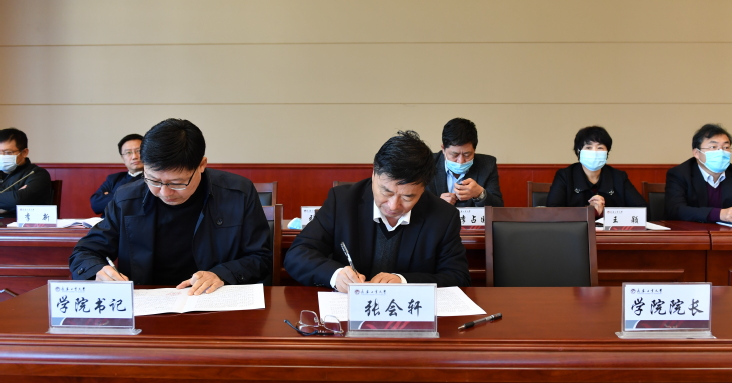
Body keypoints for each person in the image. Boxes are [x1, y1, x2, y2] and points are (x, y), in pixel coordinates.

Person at [69, 118, 272, 294]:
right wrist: (97, 270)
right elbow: (85, 251)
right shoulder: (126, 198)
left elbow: (261, 257)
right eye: (153, 180)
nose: (164, 192)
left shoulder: (238, 193)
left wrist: (221, 274)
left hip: (212, 301)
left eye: (177, 183)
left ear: (201, 165)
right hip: (146, 303)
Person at [284, 130, 470, 293]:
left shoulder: (443, 216)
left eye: (407, 197)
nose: (393, 206)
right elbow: (298, 254)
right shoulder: (342, 201)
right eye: (386, 192)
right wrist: (335, 275)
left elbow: (457, 276)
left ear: (423, 188)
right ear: (374, 174)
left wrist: (403, 282)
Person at [665, 123, 732, 223]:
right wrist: (719, 214)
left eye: (726, 147)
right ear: (696, 153)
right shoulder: (680, 173)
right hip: (692, 231)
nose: (721, 152)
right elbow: (675, 210)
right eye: (713, 147)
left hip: (727, 232)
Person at [546, 126, 646, 217]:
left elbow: (644, 211)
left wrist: (605, 212)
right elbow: (552, 211)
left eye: (600, 147)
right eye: (588, 147)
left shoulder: (619, 177)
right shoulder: (565, 175)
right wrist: (589, 211)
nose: (594, 152)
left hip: (610, 231)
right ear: (579, 151)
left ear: (607, 152)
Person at [426, 118, 503, 207]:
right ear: (443, 149)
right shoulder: (427, 164)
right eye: (455, 155)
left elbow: (498, 207)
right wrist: (436, 204)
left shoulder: (487, 165)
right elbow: (415, 204)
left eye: (467, 155)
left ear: (474, 150)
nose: (461, 161)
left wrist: (479, 194)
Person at [0, 128, 52, 218]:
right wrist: (11, 198)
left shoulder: (37, 174)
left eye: (8, 152)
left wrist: (13, 200)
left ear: (24, 152)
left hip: (21, 225)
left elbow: (18, 200)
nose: (1, 156)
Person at [90, 133, 144, 215]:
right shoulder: (113, 179)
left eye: (139, 151)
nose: (134, 157)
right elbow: (96, 204)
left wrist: (112, 196)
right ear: (122, 158)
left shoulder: (155, 179)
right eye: (128, 152)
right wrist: (132, 198)